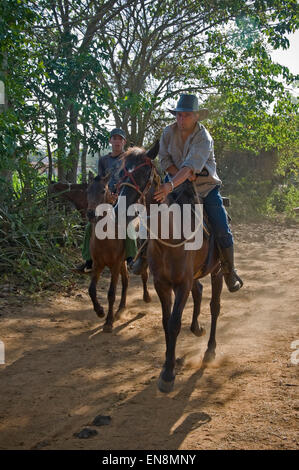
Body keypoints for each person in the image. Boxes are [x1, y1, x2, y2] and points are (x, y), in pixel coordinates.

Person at [131, 94, 243, 292]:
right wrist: (176, 181)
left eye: (186, 116)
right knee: (149, 214)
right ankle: (142, 256)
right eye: (179, 115)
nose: (181, 120)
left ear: (196, 116)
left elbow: (191, 166)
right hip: (174, 184)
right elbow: (165, 160)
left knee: (221, 226)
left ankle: (228, 270)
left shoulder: (203, 137)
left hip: (205, 188)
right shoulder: (167, 132)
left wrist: (174, 183)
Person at [75, 128, 137, 273]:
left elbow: (132, 179)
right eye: (114, 138)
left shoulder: (128, 159)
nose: (117, 141)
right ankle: (88, 260)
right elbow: (101, 181)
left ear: (124, 142)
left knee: (127, 224)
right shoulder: (104, 160)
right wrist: (107, 195)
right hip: (106, 198)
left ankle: (130, 258)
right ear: (110, 141)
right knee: (90, 226)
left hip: (125, 197)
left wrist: (120, 193)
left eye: (120, 139)